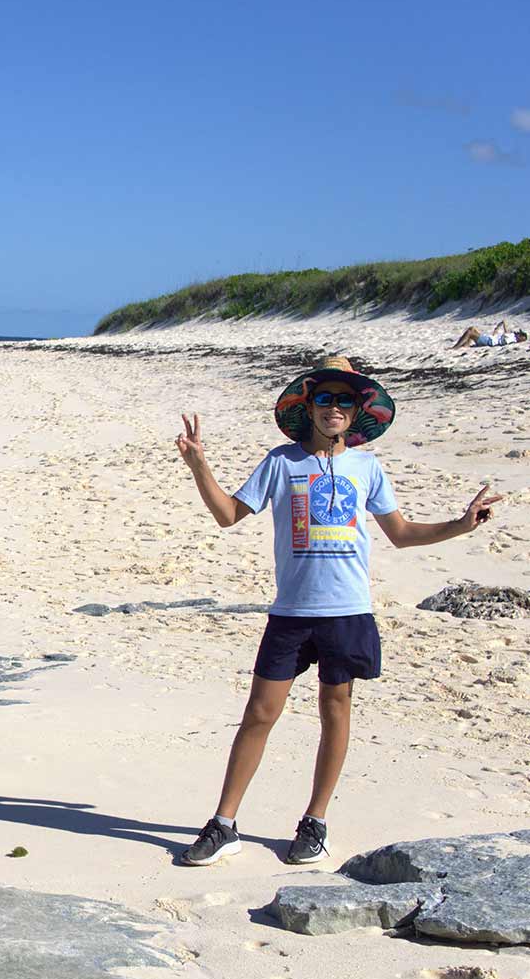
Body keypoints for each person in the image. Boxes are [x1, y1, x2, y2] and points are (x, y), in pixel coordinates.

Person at [175, 356, 500, 867]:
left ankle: (315, 821)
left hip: (348, 611)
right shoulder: (282, 462)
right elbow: (226, 516)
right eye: (324, 398)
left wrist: (461, 524)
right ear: (308, 408)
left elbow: (402, 533)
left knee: (335, 711)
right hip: (291, 611)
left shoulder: (367, 467)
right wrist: (199, 465)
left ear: (356, 412)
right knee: (260, 713)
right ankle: (224, 823)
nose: (334, 408)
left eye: (344, 400)